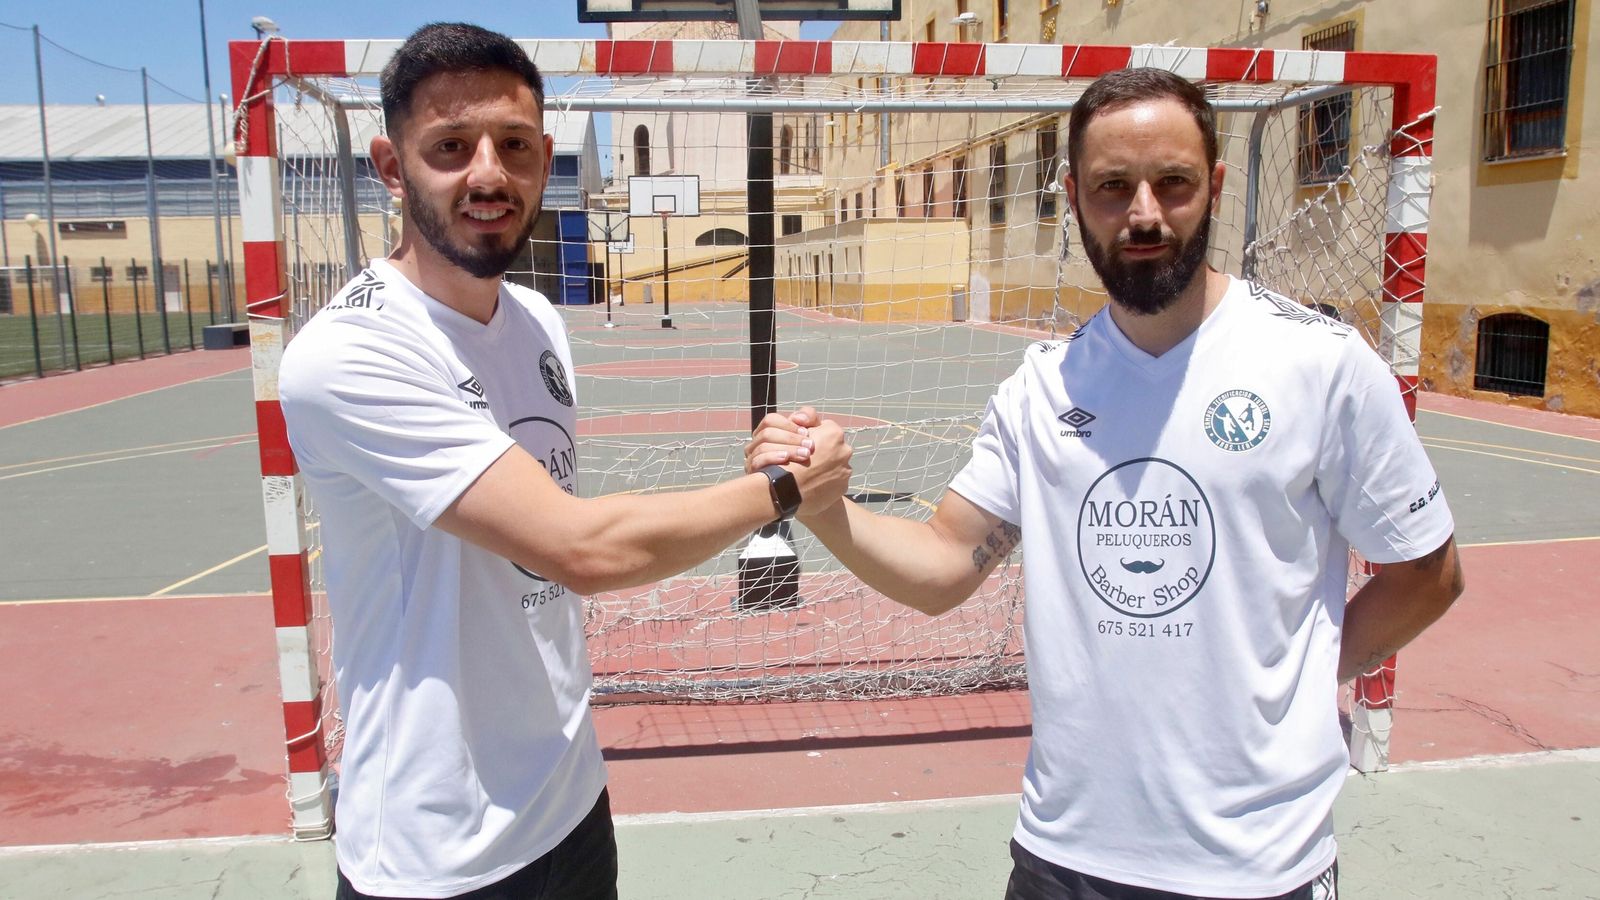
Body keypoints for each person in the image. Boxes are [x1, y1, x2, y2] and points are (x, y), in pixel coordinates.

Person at [747, 67, 1464, 900]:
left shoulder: (1321, 364)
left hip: (1259, 866)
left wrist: (1295, 684)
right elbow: (944, 564)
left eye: (1173, 183)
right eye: (1113, 187)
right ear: (1074, 198)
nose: (1145, 214)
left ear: (1216, 185)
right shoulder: (1042, 388)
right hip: (1065, 859)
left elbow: (1427, 571)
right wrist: (825, 510)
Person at [278, 23, 851, 900]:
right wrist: (780, 489)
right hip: (440, 850)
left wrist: (770, 478)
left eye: (513, 146)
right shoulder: (350, 353)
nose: (488, 174)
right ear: (392, 168)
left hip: (568, 802)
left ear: (545, 160)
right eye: (451, 147)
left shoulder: (537, 322)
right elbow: (579, 549)